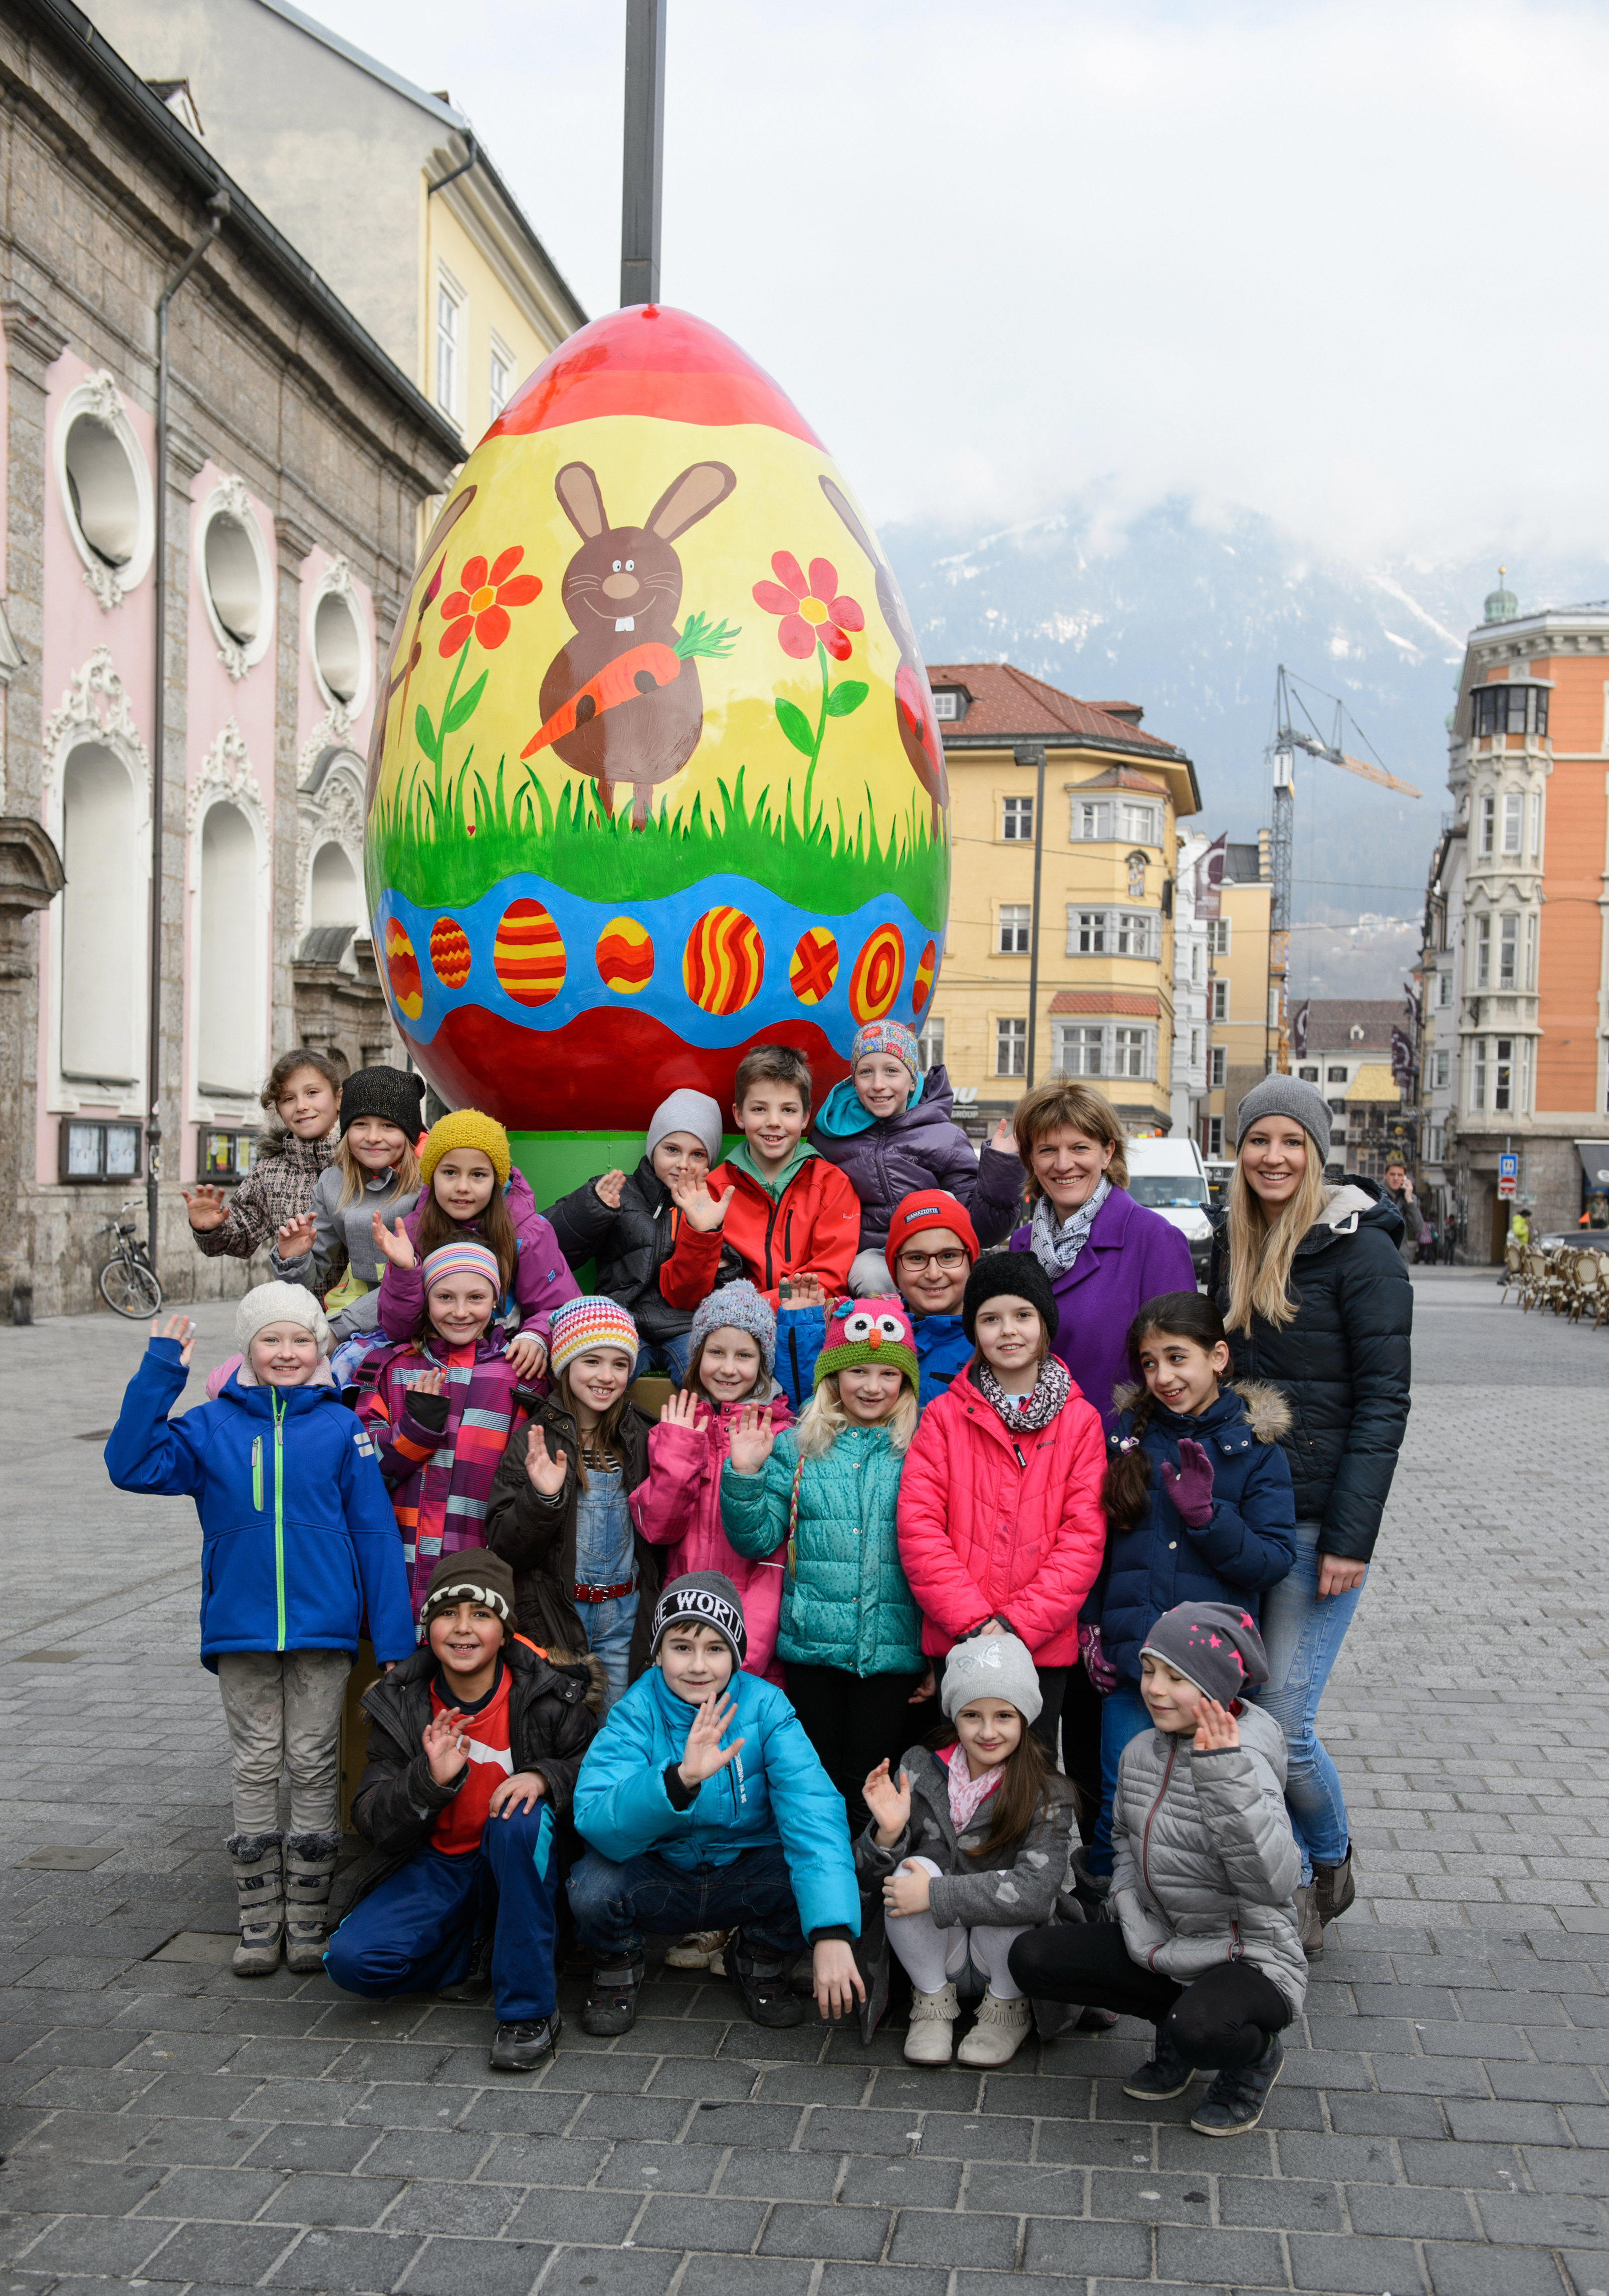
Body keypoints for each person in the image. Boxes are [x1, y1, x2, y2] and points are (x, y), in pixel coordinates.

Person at [104, 1285, 414, 1975]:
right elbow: (129, 1464)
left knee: (311, 1764)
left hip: (322, 1630)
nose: (286, 1352)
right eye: (271, 1339)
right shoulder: (210, 1426)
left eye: (300, 1339)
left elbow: (371, 1533)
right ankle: (257, 1921)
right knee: (252, 1764)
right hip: (241, 1630)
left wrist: (393, 1639)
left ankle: (306, 1919)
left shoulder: (340, 1428)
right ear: (247, 1348)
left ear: (318, 1348)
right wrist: (160, 1375)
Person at [1209, 1076, 1411, 1955]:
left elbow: (1383, 1402)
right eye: (1259, 1140)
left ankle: (1321, 1865)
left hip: (1314, 1529)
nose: (1274, 1156)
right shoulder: (1230, 1244)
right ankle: (1273, 1877)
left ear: (1318, 1153)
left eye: (1292, 1141)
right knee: (1243, 1709)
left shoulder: (1363, 1253)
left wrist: (1349, 1538)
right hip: (1238, 1519)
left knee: (1286, 1727)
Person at [970, 1079, 1195, 1835]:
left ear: (1107, 1151)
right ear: (1030, 1159)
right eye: (1048, 1148)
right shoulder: (1023, 1245)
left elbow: (1175, 1370)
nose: (1064, 1161)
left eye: (1079, 1146)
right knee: (1039, 1670)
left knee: (1103, 1679)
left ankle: (1104, 1860)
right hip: (1025, 1490)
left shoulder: (1150, 1239)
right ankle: (1029, 1849)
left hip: (1117, 1488)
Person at [1009, 1603, 1305, 2139]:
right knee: (1032, 1959)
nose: (1155, 1689)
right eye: (1149, 1670)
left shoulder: (1248, 1759)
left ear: (1215, 1687)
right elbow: (1121, 1837)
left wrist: (1223, 1779)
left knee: (1202, 2029)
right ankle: (1175, 2023)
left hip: (1248, 1955)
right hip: (1164, 1939)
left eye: (1177, 1677)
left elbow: (1275, 1882)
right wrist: (1126, 1904)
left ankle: (1252, 2059)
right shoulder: (1142, 1749)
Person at [326, 1550, 596, 2071]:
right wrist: (427, 1782)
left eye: (482, 1615)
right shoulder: (401, 1701)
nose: (463, 1629)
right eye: (448, 1614)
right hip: (440, 1863)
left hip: (517, 1861)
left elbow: (595, 1766)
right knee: (352, 1963)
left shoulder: (548, 1693)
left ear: (505, 1629)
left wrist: (544, 1776)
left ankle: (527, 2011)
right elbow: (371, 1818)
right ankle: (482, 1941)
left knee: (519, 1818)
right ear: (428, 1628)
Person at [568, 1572, 864, 2037]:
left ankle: (759, 1955)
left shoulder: (768, 1708)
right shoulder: (636, 1709)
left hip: (743, 1873)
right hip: (661, 1875)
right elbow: (595, 1817)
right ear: (658, 1652)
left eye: (715, 1648)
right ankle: (617, 1963)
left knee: (805, 1865)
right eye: (682, 1646)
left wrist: (830, 1932)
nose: (698, 1665)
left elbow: (814, 1813)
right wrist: (678, 1781)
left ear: (737, 1655)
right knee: (591, 1885)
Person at [1082, 1291, 1297, 1888]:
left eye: (1177, 1358)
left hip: (1206, 1672)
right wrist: (1094, 1625)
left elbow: (1273, 1559)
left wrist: (1208, 1519)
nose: (1163, 1376)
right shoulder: (1126, 1437)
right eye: (1149, 1363)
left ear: (1218, 1356)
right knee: (1119, 1795)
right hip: (1135, 1661)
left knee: (1197, 1803)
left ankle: (1188, 1911)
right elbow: (1097, 1542)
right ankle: (1105, 1908)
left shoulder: (1254, 1449)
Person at [721, 1296, 930, 1834]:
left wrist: (935, 1649)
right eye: (857, 1370)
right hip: (813, 1650)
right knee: (817, 1782)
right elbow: (757, 1538)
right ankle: (818, 1891)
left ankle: (867, 1892)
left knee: (873, 1784)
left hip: (891, 1653)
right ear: (833, 1376)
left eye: (888, 1374)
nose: (872, 1386)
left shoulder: (922, 1450)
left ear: (905, 1384)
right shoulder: (797, 1448)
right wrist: (744, 1476)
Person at [895, 1251, 1106, 1762]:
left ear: (1044, 1324)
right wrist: (972, 1621)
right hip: (960, 1638)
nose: (1007, 1331)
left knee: (1030, 1778)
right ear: (973, 1330)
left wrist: (1016, 1625)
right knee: (959, 1772)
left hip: (1040, 1642)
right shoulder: (944, 1417)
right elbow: (919, 1526)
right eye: (990, 1319)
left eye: (1022, 1316)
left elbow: (1083, 1539)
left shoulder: (1080, 1423)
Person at [856, 1635, 1077, 2067]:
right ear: (954, 1716)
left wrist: (936, 1895)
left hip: (1007, 1956)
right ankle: (931, 2001)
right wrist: (887, 1834)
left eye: (1003, 1716)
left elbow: (1036, 1892)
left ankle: (1006, 2010)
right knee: (908, 1871)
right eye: (972, 1715)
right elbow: (867, 1884)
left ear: (1025, 1718)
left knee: (1008, 1889)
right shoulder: (919, 1765)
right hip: (941, 1952)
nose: (988, 1731)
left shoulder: (1049, 1789)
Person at [486, 1298, 660, 1711]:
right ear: (565, 1365)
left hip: (624, 1617)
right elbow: (505, 1545)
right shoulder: (536, 1437)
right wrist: (543, 1498)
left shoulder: (642, 1436)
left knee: (614, 1738)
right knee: (560, 1736)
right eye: (592, 1361)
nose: (606, 1376)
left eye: (620, 1364)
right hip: (557, 1616)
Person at [629, 1283, 794, 1682]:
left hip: (748, 1651)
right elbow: (657, 1528)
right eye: (716, 1352)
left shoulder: (780, 1435)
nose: (727, 1368)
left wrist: (740, 1656)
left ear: (763, 1364)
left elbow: (771, 1563)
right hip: (681, 1627)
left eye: (744, 1355)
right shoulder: (678, 1427)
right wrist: (677, 1449)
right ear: (697, 1355)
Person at [358, 1241, 529, 1617]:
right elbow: (360, 1468)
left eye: (476, 1297)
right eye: (445, 1297)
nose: (461, 1311)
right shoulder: (390, 1368)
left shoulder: (516, 1376)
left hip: (478, 1566)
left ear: (496, 1301)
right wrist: (415, 1430)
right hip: (399, 1569)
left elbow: (521, 1483)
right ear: (426, 1299)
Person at [544, 1089, 741, 1384]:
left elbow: (726, 1289)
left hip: (684, 1325)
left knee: (703, 1379)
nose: (683, 1164)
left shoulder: (711, 1205)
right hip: (619, 1318)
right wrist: (592, 1209)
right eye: (672, 1150)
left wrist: (709, 1237)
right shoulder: (618, 1192)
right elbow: (547, 1245)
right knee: (595, 1378)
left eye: (697, 1154)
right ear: (653, 1149)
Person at [371, 1109, 575, 1377]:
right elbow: (398, 1331)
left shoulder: (528, 1233)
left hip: (508, 1358)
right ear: (433, 1176)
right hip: (434, 1359)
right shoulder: (414, 1231)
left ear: (496, 1180)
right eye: (450, 1173)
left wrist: (537, 1335)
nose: (463, 1187)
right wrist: (406, 1270)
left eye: (478, 1175)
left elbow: (562, 1306)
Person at [656, 1044, 861, 1311]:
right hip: (734, 1336)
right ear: (739, 1115)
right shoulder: (712, 1191)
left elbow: (828, 1283)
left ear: (805, 1117)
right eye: (759, 1109)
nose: (774, 1121)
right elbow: (682, 1297)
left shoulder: (832, 1186)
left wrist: (750, 1306)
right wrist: (702, 1235)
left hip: (803, 1327)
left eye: (788, 1110)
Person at [270, 1064, 424, 1379]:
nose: (372, 1137)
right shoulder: (333, 1182)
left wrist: (337, 1331)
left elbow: (423, 1275)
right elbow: (312, 1275)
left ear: (408, 1132)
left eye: (388, 1126)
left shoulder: (426, 1183)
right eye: (360, 1124)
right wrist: (294, 1256)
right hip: (351, 1306)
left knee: (336, 1373)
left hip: (416, 1310)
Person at [810, 1019, 980, 1293]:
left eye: (891, 1071)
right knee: (868, 1272)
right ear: (853, 1081)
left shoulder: (945, 1137)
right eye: (866, 1072)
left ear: (913, 1080)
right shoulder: (828, 1139)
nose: (878, 1084)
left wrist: (1001, 1171)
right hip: (871, 1260)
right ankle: (885, 1333)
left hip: (930, 1255)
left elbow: (975, 1218)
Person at [775, 1190, 981, 1413]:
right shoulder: (862, 1326)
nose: (933, 1273)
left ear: (970, 1261)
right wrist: (803, 1335)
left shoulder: (987, 1339)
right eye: (916, 1258)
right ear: (895, 1269)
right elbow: (814, 1416)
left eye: (949, 1256)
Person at [181, 1048, 343, 1260]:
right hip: (296, 1293)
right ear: (278, 1109)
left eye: (312, 1092)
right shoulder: (269, 1172)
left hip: (369, 1293)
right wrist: (210, 1228)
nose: (302, 1106)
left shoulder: (364, 1158)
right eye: (288, 1099)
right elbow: (240, 1235)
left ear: (338, 1098)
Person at [1382, 1159, 1424, 1265]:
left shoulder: (1409, 1198)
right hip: (1379, 1257)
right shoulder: (1376, 1194)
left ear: (1405, 1178)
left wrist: (1409, 1200)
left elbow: (1418, 1228)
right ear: (1385, 1175)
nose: (1396, 1178)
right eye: (1392, 1174)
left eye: (1400, 1175)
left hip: (1400, 1260)